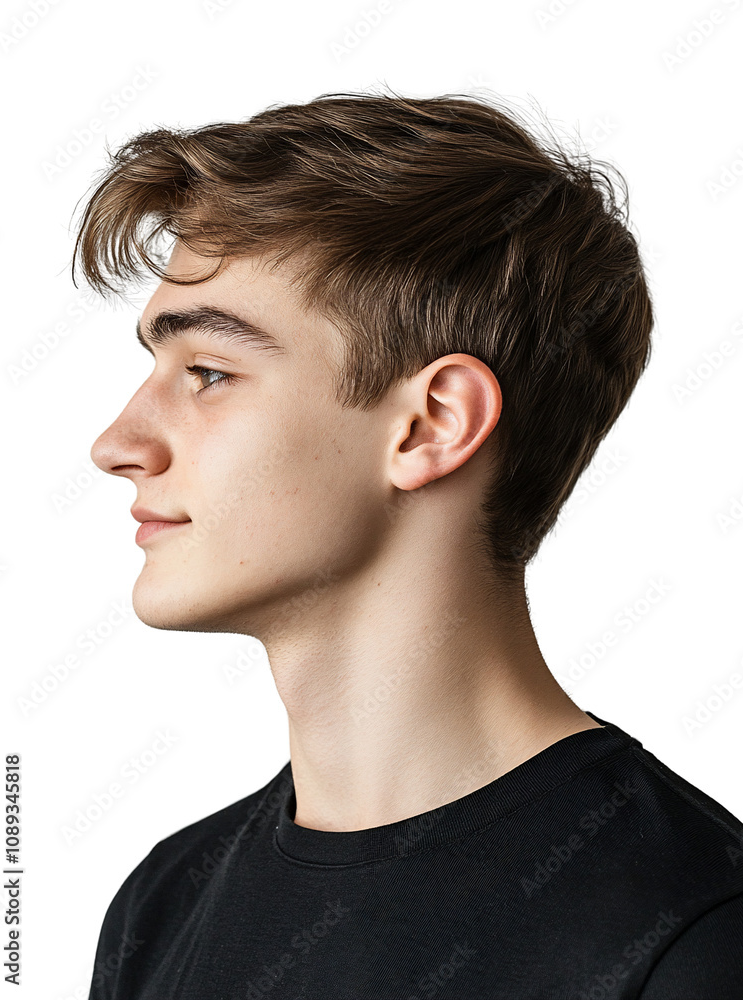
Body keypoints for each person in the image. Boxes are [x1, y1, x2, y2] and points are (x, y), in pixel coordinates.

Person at [76, 90, 743, 999]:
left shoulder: (695, 934)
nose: (117, 445)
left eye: (208, 372)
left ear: (431, 424)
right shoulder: (163, 906)